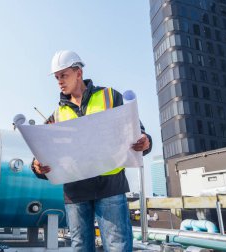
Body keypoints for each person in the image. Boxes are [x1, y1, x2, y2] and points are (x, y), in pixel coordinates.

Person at [31, 50, 152, 252]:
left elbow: (137, 133)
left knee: (118, 247)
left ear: (78, 72)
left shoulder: (111, 97)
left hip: (110, 186)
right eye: (57, 77)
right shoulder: (57, 114)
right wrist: (37, 166)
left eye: (64, 75)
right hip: (76, 193)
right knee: (80, 248)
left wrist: (146, 141)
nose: (59, 81)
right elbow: (42, 153)